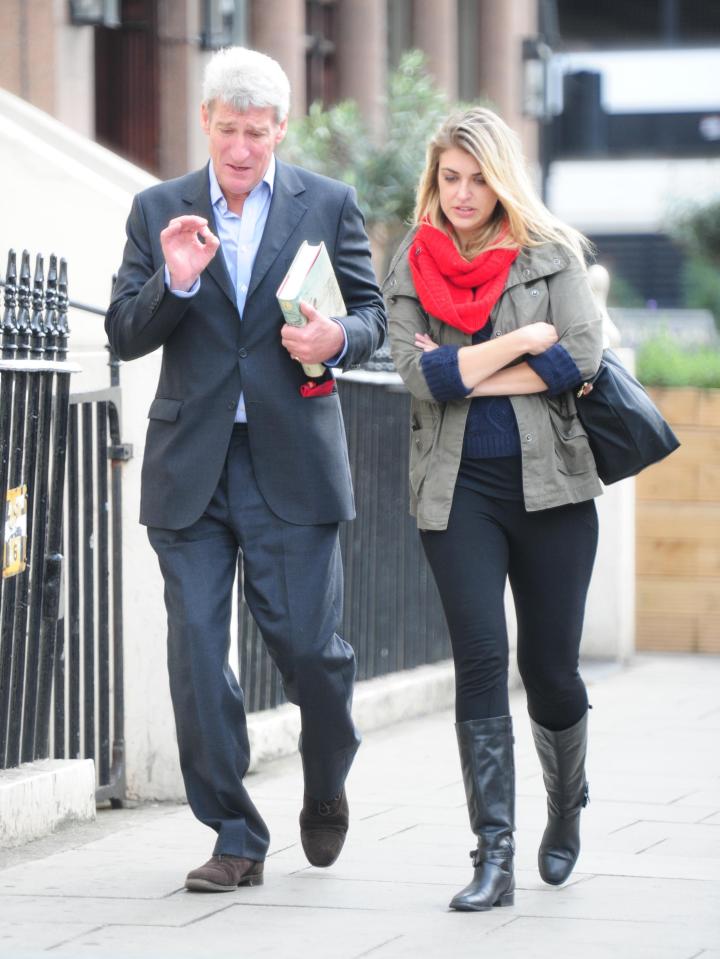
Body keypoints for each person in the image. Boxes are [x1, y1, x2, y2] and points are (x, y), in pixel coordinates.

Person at [105, 47, 386, 892]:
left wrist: (336, 340)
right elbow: (124, 330)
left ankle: (327, 776)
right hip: (191, 467)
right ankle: (234, 831)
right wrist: (176, 282)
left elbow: (370, 315)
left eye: (256, 133)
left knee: (311, 653)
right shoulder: (159, 207)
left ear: (280, 129)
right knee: (195, 655)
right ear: (205, 122)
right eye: (227, 130)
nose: (240, 147)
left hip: (291, 464)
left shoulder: (326, 203)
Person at [383, 107, 603, 912]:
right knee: (480, 660)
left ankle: (567, 802)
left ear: (500, 176)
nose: (464, 193)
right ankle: (494, 855)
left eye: (478, 177)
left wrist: (465, 368)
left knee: (549, 670)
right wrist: (517, 347)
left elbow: (580, 355)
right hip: (457, 492)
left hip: (554, 492)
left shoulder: (550, 255)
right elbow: (419, 375)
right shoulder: (411, 260)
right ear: (433, 181)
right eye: (450, 177)